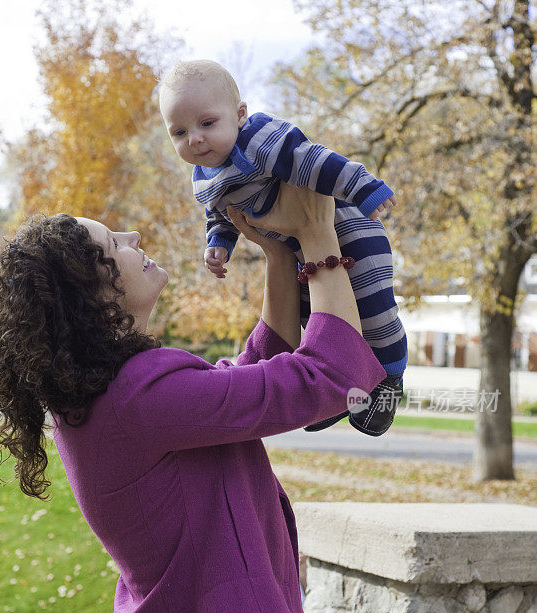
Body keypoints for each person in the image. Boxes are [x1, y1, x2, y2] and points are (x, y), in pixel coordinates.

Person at [0, 182, 386, 613]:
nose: (135, 239)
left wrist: (277, 258)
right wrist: (320, 241)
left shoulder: (104, 397)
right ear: (95, 293)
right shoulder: (137, 394)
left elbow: (243, 382)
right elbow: (331, 376)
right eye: (114, 243)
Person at [159, 58, 407, 436]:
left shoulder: (260, 139)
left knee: (372, 310)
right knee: (313, 313)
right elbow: (220, 214)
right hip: (297, 250)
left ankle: (390, 374)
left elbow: (315, 160)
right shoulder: (203, 174)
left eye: (207, 123)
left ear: (240, 115)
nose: (194, 139)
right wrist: (219, 243)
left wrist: (362, 186)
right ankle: (332, 391)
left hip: (349, 228)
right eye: (179, 132)